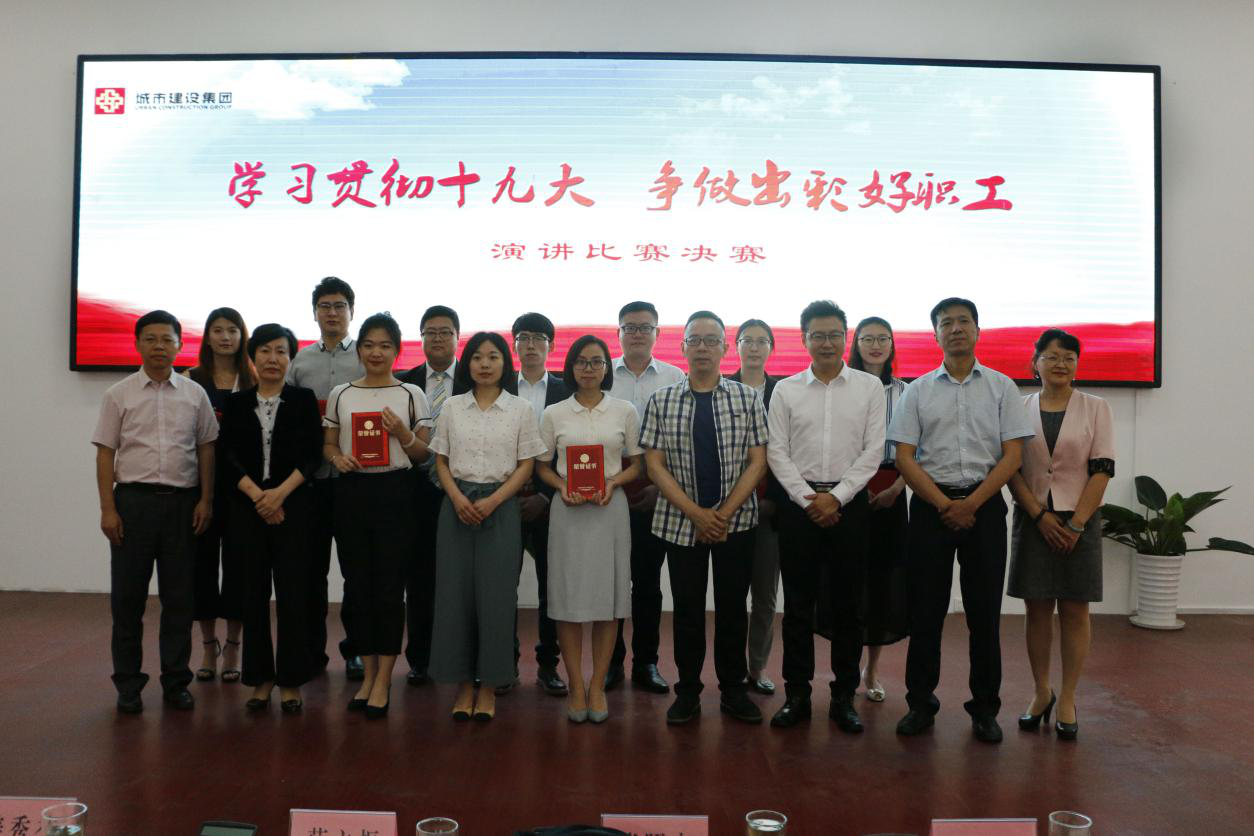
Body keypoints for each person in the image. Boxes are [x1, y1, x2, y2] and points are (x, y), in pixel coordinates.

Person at [888, 297, 1034, 743]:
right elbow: (904, 457)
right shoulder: (917, 391)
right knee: (926, 613)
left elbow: (1013, 455)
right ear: (935, 334)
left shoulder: (1002, 387)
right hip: (930, 509)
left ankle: (985, 709)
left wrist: (971, 503)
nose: (955, 329)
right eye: (946, 323)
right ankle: (920, 704)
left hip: (984, 509)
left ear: (977, 330)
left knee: (984, 616)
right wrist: (944, 504)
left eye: (963, 321)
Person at [641, 311, 769, 725]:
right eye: (694, 340)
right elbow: (655, 465)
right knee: (688, 612)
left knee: (733, 609)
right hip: (680, 523)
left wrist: (722, 514)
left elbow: (758, 461)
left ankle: (733, 690)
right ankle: (688, 692)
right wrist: (697, 514)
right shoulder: (661, 400)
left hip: (737, 523)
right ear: (681, 347)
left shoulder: (747, 398)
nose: (702, 348)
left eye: (711, 340)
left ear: (724, 348)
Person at [766, 301, 885, 731]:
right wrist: (808, 500)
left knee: (849, 607)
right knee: (798, 606)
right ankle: (797, 695)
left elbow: (874, 450)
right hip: (799, 509)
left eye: (835, 334)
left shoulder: (869, 388)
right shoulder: (786, 390)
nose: (827, 342)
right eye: (818, 335)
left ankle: (843, 697)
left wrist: (836, 497)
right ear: (804, 340)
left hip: (849, 507)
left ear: (845, 337)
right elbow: (776, 451)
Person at [92, 310, 218, 713]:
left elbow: (206, 449)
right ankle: (128, 685)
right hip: (133, 503)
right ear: (137, 344)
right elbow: (106, 453)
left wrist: (206, 500)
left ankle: (176, 681)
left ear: (180, 345)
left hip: (183, 504)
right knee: (127, 600)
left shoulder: (195, 394)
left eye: (167, 339)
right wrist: (108, 509)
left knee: (179, 599)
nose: (159, 346)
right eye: (151, 339)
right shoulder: (118, 394)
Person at [428, 332, 546, 721]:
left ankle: (491, 685)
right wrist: (457, 498)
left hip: (502, 505)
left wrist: (495, 500)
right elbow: (441, 460)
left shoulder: (520, 409)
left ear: (504, 363)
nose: (484, 363)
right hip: (456, 506)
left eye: (493, 356)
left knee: (497, 598)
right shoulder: (452, 407)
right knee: (455, 597)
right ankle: (464, 685)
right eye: (477, 357)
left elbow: (527, 465)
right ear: (468, 364)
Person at [324, 313, 433, 717]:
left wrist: (401, 433)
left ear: (397, 350)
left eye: (385, 345)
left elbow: (423, 454)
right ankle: (367, 674)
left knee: (389, 588)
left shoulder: (411, 393)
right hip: (352, 493)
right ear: (359, 349)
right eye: (369, 344)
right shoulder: (341, 393)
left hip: (397, 494)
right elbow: (329, 443)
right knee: (358, 587)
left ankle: (384, 678)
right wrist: (338, 458)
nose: (376, 352)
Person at [1008, 329, 1115, 741]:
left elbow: (1102, 469)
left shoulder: (1096, 407)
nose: (1061, 364)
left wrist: (1075, 524)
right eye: (1052, 356)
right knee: (1036, 609)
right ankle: (1041, 692)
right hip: (1034, 518)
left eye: (1069, 357)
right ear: (1034, 362)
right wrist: (1039, 515)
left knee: (1075, 609)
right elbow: (1011, 469)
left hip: (1080, 520)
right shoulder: (1018, 408)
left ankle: (1067, 697)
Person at [536, 335, 642, 723]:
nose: (589, 368)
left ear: (607, 368)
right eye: (581, 361)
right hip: (568, 514)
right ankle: (575, 686)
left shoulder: (625, 410)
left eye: (597, 361)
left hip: (609, 511)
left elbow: (637, 465)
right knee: (567, 602)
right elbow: (542, 466)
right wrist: (562, 485)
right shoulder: (554, 413)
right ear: (570, 367)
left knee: (607, 602)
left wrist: (613, 483)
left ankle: (597, 685)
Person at [219, 324, 322, 713]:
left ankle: (291, 680)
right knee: (253, 595)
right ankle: (260, 678)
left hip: (293, 509)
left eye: (281, 351)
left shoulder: (302, 399)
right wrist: (258, 496)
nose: (273, 358)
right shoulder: (236, 403)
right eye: (265, 351)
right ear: (252, 357)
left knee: (293, 595)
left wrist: (278, 495)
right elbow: (227, 456)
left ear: (291, 358)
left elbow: (312, 455)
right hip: (248, 510)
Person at [285, 277, 366, 680]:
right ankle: (311, 652)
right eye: (324, 306)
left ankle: (355, 651)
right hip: (311, 484)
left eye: (339, 306)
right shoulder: (299, 363)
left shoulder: (366, 358)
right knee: (310, 572)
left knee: (356, 572)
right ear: (314, 312)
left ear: (352, 311)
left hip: (355, 481)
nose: (332, 313)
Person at [606, 301, 684, 694]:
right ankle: (610, 662)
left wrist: (661, 486)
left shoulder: (675, 377)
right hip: (609, 491)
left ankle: (646, 663)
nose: (637, 334)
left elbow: (682, 440)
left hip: (659, 493)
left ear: (658, 333)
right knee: (612, 582)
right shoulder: (603, 374)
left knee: (648, 584)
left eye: (645, 327)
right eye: (630, 327)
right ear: (618, 332)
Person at [184, 307, 255, 684]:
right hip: (201, 488)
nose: (225, 337)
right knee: (202, 567)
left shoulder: (254, 379)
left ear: (243, 336)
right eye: (218, 330)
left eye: (232, 330)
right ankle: (208, 645)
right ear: (207, 336)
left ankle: (233, 645)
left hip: (244, 489)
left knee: (240, 568)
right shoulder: (191, 379)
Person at [846, 316, 911, 703]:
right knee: (849, 581)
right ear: (855, 344)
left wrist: (897, 489)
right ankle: (846, 667)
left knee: (882, 583)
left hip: (893, 490)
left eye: (882, 338)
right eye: (867, 338)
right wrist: (852, 486)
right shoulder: (845, 388)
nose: (875, 345)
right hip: (849, 490)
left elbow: (919, 450)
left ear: (891, 345)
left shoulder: (907, 392)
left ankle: (871, 669)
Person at [397, 304, 460, 687]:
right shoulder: (403, 383)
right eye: (430, 332)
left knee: (460, 578)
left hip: (463, 489)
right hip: (415, 491)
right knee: (419, 578)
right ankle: (420, 657)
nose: (437, 338)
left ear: (457, 337)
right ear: (420, 338)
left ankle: (459, 654)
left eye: (444, 331)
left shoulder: (475, 379)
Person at [511, 312, 571, 696]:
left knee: (553, 587)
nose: (530, 344)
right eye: (523, 337)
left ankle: (548, 665)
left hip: (552, 502)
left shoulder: (567, 390)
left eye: (538, 337)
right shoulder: (498, 386)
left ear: (551, 344)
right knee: (504, 585)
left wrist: (546, 495)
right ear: (514, 343)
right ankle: (504, 661)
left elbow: (573, 444)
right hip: (505, 501)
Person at [728, 319, 783, 696]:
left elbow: (791, 450)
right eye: (747, 340)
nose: (754, 347)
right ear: (736, 346)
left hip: (770, 511)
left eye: (762, 341)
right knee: (731, 596)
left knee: (764, 596)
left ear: (771, 348)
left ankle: (757, 667)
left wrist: (773, 499)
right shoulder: (721, 388)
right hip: (728, 510)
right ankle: (731, 669)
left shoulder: (784, 392)